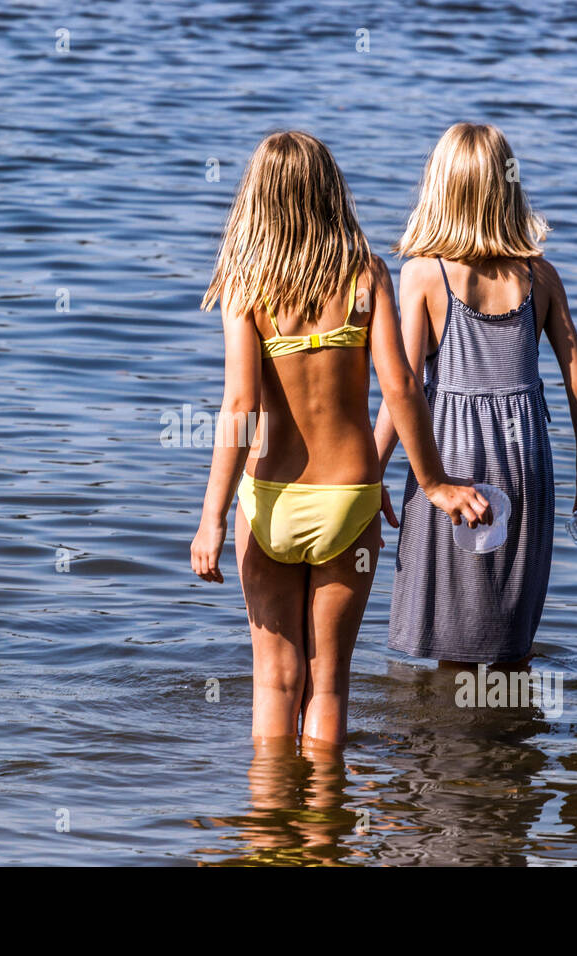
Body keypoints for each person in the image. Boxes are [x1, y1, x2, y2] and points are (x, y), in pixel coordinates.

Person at [190, 130, 490, 747]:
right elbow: (402, 386)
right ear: (331, 191)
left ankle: (269, 827)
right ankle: (325, 835)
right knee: (329, 681)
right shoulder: (366, 275)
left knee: (275, 679)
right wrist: (432, 482)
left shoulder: (245, 286)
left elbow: (240, 405)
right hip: (349, 498)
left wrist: (211, 517)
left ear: (255, 199)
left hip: (270, 498)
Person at [374, 122, 577, 666]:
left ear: (439, 190)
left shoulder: (422, 276)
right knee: (509, 636)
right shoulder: (542, 277)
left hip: (448, 460)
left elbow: (401, 388)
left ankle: (455, 740)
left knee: (455, 638)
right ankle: (508, 738)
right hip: (525, 462)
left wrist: (370, 476)